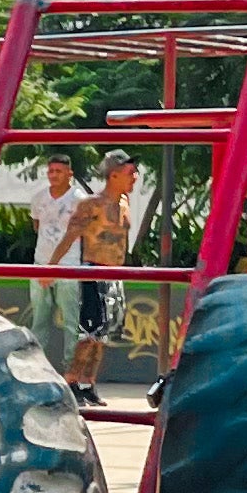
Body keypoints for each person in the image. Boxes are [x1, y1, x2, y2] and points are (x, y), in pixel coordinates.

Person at [67, 152, 142, 401]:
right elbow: (70, 235)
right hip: (94, 270)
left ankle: (89, 384)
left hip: (115, 273)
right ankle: (72, 381)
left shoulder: (124, 202)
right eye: (130, 173)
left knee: (103, 335)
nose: (135, 177)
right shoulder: (92, 204)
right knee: (88, 333)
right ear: (114, 175)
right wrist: (51, 267)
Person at [28, 152, 91, 372]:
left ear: (69, 174)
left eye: (58, 171)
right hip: (40, 263)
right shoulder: (39, 198)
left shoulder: (79, 199)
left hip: (68, 266)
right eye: (51, 171)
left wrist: (54, 264)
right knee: (39, 321)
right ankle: (38, 369)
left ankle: (70, 372)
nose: (53, 175)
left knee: (71, 323)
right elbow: (37, 224)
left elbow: (78, 232)